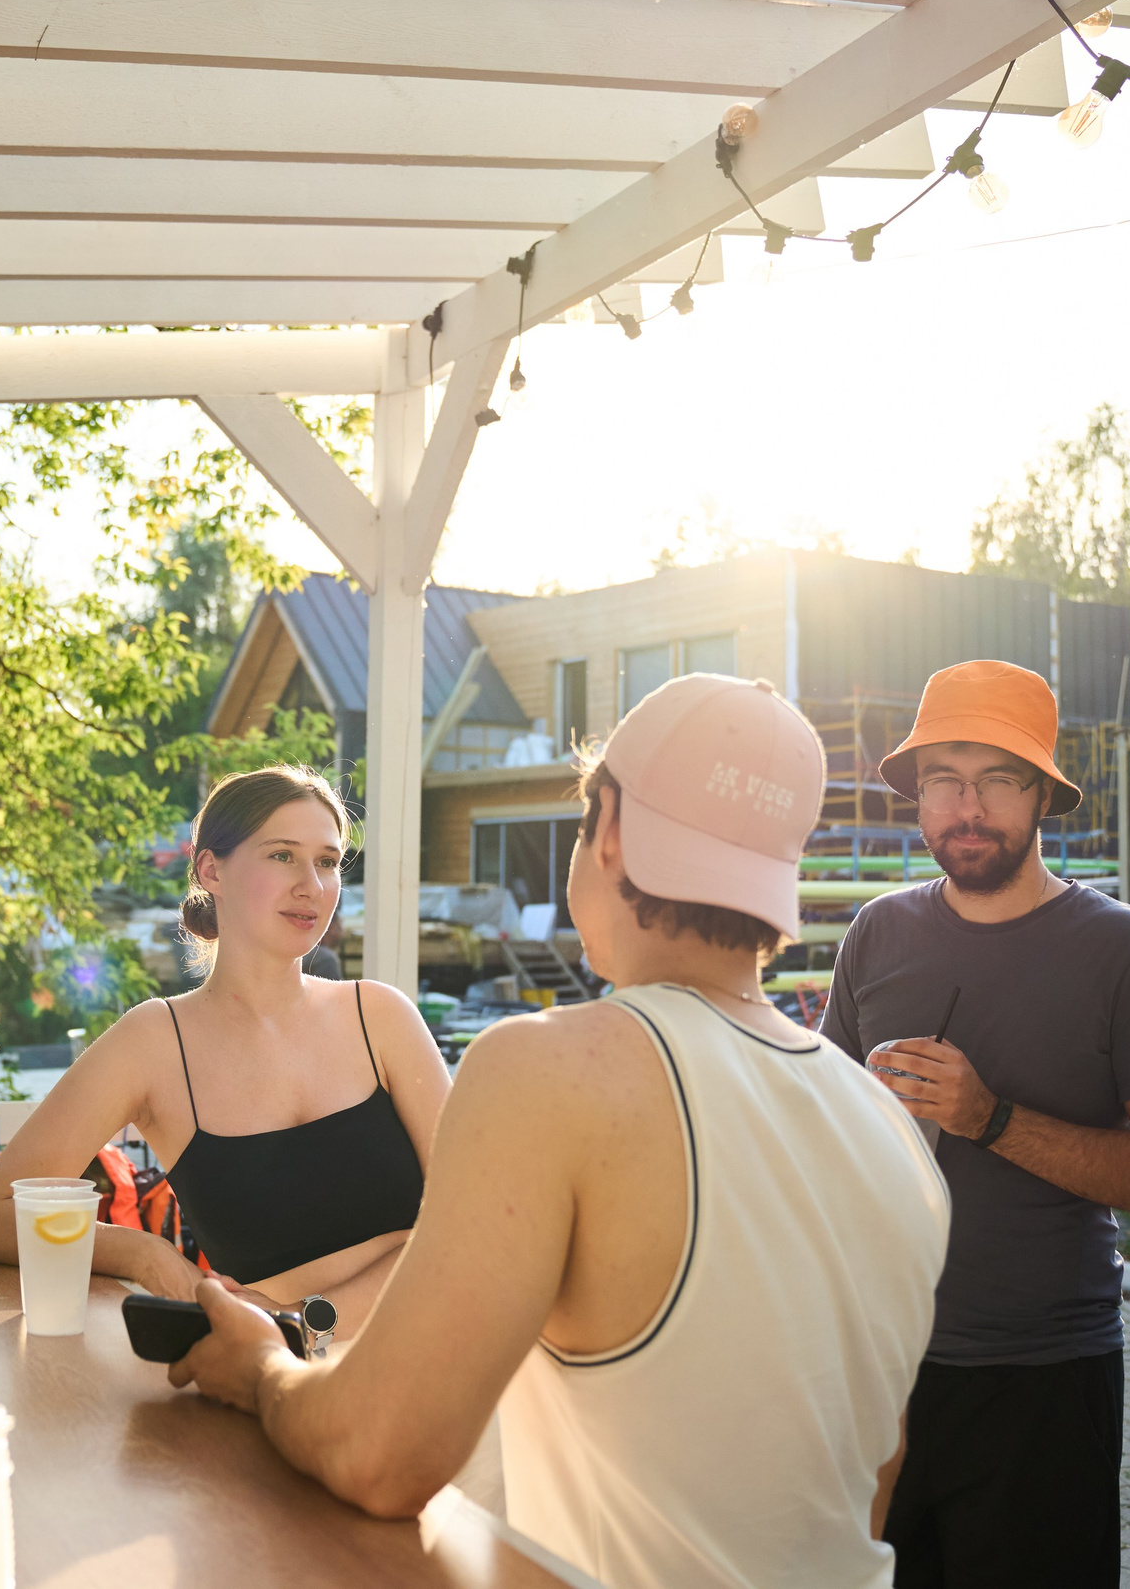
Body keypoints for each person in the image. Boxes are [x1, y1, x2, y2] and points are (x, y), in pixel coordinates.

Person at [172, 675, 950, 1589]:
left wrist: (261, 1368)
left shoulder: (548, 1067)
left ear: (609, 829)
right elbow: (869, 1482)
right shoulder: (894, 1138)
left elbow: (379, 1452)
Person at [828, 659, 1130, 1589]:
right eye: (941, 781)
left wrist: (990, 1117)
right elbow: (825, 1138)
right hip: (878, 1371)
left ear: (1042, 791)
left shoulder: (1127, 950)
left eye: (996, 779)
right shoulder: (877, 934)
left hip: (1042, 1380)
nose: (966, 807)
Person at [0, 765, 449, 1324]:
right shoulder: (153, 1044)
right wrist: (146, 1252)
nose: (311, 886)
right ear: (211, 869)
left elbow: (468, 1217)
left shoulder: (382, 1017)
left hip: (438, 1355)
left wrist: (305, 1315)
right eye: (282, 855)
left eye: (327, 862)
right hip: (275, 1379)